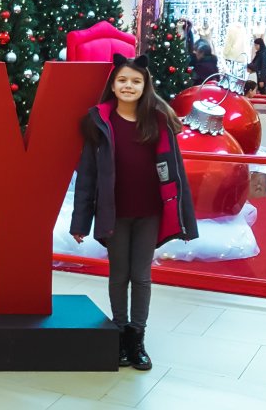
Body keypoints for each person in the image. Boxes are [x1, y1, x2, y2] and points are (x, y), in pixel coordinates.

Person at [70, 54, 198, 371]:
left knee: (140, 276)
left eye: (136, 81)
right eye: (123, 80)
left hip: (149, 213)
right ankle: (119, 332)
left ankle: (136, 338)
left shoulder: (158, 120)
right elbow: (87, 176)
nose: (129, 86)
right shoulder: (99, 122)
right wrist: (80, 220)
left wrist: (184, 219)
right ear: (113, 85)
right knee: (118, 275)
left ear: (145, 86)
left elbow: (176, 173)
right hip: (115, 214)